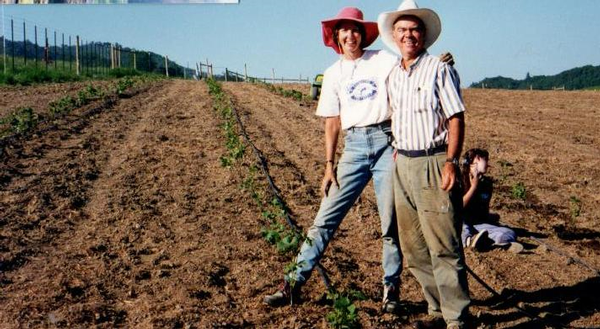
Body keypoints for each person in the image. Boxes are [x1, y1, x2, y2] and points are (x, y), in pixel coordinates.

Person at [263, 6, 404, 313]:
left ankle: (391, 290)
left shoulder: (382, 60)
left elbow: (410, 71)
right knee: (324, 220)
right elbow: (332, 123)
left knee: (390, 223)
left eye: (355, 29)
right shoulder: (332, 74)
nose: (350, 35)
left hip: (386, 142)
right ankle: (293, 284)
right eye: (344, 30)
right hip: (353, 149)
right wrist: (329, 166)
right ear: (336, 36)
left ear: (362, 34)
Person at [378, 0, 470, 328]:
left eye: (414, 29)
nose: (408, 35)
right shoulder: (393, 74)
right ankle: (436, 310)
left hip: (434, 161)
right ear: (394, 35)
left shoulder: (439, 69)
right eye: (402, 29)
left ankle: (457, 319)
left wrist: (452, 162)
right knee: (414, 247)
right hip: (403, 163)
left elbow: (455, 117)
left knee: (443, 244)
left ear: (424, 34)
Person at [460, 148, 524, 253]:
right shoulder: (460, 179)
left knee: (509, 232)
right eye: (485, 159)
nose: (487, 163)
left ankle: (497, 243)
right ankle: (469, 241)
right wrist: (473, 187)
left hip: (478, 224)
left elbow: (483, 210)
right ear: (476, 159)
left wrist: (490, 217)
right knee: (462, 227)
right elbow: (458, 207)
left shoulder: (486, 184)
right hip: (461, 221)